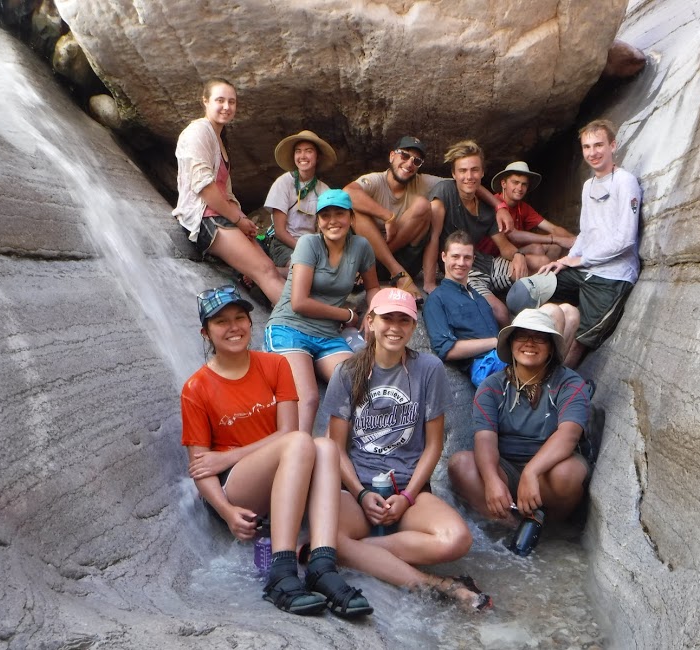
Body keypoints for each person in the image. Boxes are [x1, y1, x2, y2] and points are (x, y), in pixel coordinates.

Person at [180, 285, 372, 617]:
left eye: (240, 317)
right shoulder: (196, 388)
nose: (234, 327)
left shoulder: (275, 365)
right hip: (236, 488)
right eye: (222, 322)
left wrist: (228, 454)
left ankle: (322, 566)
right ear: (206, 332)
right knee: (301, 441)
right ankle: (281, 575)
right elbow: (200, 468)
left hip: (281, 474)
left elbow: (287, 432)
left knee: (324, 447)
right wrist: (226, 511)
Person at [324, 288, 492, 610]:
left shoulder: (428, 368)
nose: (395, 327)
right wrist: (359, 493)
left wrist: (408, 497)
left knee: (457, 538)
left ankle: (363, 551)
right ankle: (440, 585)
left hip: (408, 489)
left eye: (405, 320)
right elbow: (336, 448)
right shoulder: (347, 372)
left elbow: (433, 446)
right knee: (326, 536)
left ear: (414, 327)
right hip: (358, 491)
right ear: (370, 321)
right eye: (387, 318)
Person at [448, 308, 591, 527]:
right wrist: (491, 479)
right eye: (522, 335)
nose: (530, 343)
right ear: (511, 344)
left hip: (549, 470)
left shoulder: (570, 384)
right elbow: (485, 438)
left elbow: (569, 434)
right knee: (461, 464)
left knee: (567, 474)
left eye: (540, 337)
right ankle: (509, 525)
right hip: (506, 467)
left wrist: (532, 472)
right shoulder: (491, 387)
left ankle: (547, 530)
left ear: (552, 347)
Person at [264, 189, 379, 434]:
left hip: (328, 337)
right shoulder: (309, 243)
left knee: (357, 384)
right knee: (308, 399)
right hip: (290, 328)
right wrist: (348, 316)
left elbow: (373, 287)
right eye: (325, 216)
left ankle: (329, 451)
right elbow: (299, 302)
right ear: (318, 221)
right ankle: (300, 459)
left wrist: (373, 312)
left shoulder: (361, 246)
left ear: (351, 217)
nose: (333, 220)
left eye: (340, 213)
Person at [345, 136, 512, 303]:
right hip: (371, 261)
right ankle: (397, 273)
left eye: (416, 161)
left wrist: (500, 206)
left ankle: (397, 272)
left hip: (403, 259)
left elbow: (466, 182)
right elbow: (347, 193)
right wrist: (387, 216)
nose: (409, 163)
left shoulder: (423, 181)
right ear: (391, 156)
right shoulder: (375, 180)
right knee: (354, 211)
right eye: (404, 155)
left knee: (422, 205)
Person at [538, 119, 642, 368]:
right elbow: (585, 232)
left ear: (612, 145)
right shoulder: (588, 185)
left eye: (598, 145)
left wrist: (581, 259)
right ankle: (529, 356)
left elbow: (626, 240)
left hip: (613, 276)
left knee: (582, 339)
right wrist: (566, 259)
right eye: (587, 147)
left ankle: (558, 382)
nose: (592, 153)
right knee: (536, 289)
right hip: (584, 270)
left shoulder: (625, 182)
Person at [172, 78, 285, 305]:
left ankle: (302, 323)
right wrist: (238, 220)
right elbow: (205, 188)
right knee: (264, 270)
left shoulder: (219, 139)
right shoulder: (198, 132)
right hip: (205, 220)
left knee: (269, 269)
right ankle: (304, 329)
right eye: (220, 100)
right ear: (205, 101)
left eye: (231, 102)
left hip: (221, 217)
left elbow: (227, 193)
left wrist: (243, 219)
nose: (226, 107)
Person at [424, 231, 577, 386]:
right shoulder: (437, 299)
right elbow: (446, 349)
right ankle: (553, 386)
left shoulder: (477, 294)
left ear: (473, 260)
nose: (461, 263)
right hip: (485, 365)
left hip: (503, 355)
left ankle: (549, 385)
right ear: (444, 257)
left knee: (570, 313)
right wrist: (495, 342)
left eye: (467, 257)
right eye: (455, 256)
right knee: (551, 311)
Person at [423, 140, 527, 327]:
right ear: (454, 174)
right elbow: (433, 238)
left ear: (482, 172)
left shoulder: (486, 208)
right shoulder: (444, 193)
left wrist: (518, 255)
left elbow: (504, 246)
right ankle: (506, 351)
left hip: (483, 262)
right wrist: (429, 284)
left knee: (536, 264)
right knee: (501, 313)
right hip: (462, 269)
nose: (469, 176)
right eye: (463, 171)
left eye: (474, 170)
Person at [478, 161, 577, 272]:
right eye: (515, 182)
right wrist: (555, 239)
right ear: (503, 184)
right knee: (540, 251)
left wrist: (577, 242)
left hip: (513, 253)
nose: (520, 188)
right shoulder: (493, 203)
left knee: (554, 247)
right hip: (489, 259)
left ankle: (546, 281)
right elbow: (514, 235)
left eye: (524, 184)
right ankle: (538, 282)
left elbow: (553, 228)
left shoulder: (523, 207)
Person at [264, 130, 336, 273]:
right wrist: (305, 250)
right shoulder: (283, 182)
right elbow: (279, 231)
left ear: (318, 157)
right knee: (301, 267)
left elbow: (327, 228)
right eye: (298, 151)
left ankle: (272, 273)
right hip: (285, 244)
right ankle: (266, 273)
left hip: (314, 245)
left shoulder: (324, 190)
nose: (302, 156)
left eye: (308, 151)